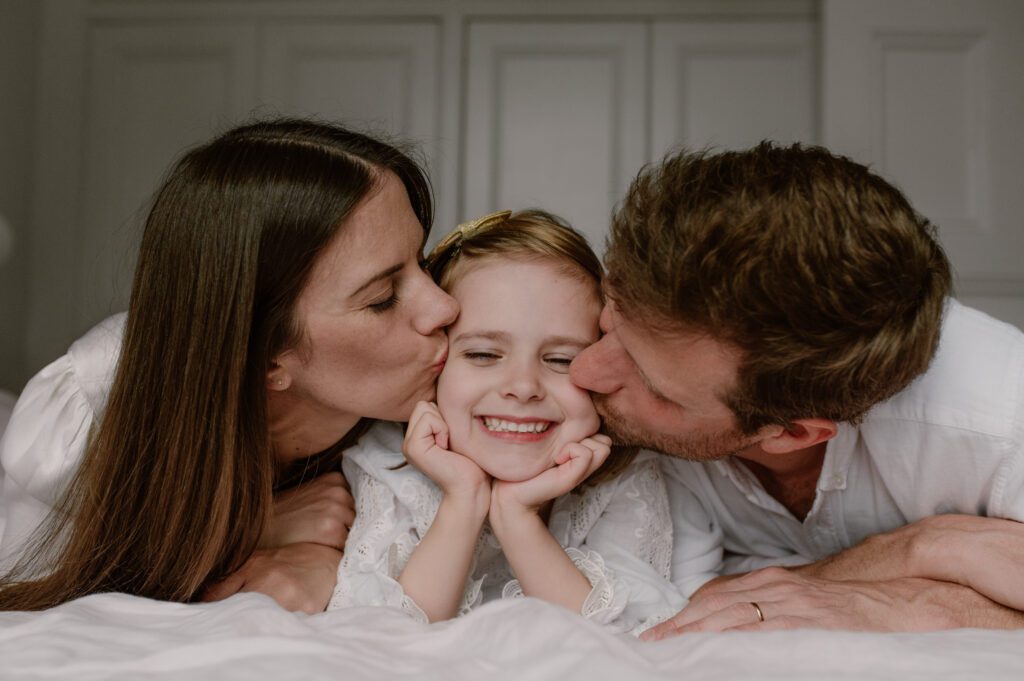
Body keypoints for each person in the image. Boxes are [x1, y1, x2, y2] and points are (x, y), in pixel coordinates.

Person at [0, 118, 459, 612]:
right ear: (263, 356)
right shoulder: (89, 407)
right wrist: (249, 530)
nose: (445, 308)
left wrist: (332, 564)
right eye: (384, 297)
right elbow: (39, 586)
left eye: (424, 261)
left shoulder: (461, 385)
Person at [567, 142, 1024, 635]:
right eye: (611, 318)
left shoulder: (1000, 416)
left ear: (793, 434)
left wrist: (919, 598)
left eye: (654, 387)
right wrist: (912, 552)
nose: (584, 371)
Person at [329, 210, 687, 633]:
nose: (522, 386)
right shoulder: (389, 460)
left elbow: (623, 638)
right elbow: (378, 636)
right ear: (436, 367)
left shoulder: (622, 474)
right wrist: (464, 499)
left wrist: (516, 516)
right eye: (483, 355)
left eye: (561, 360)